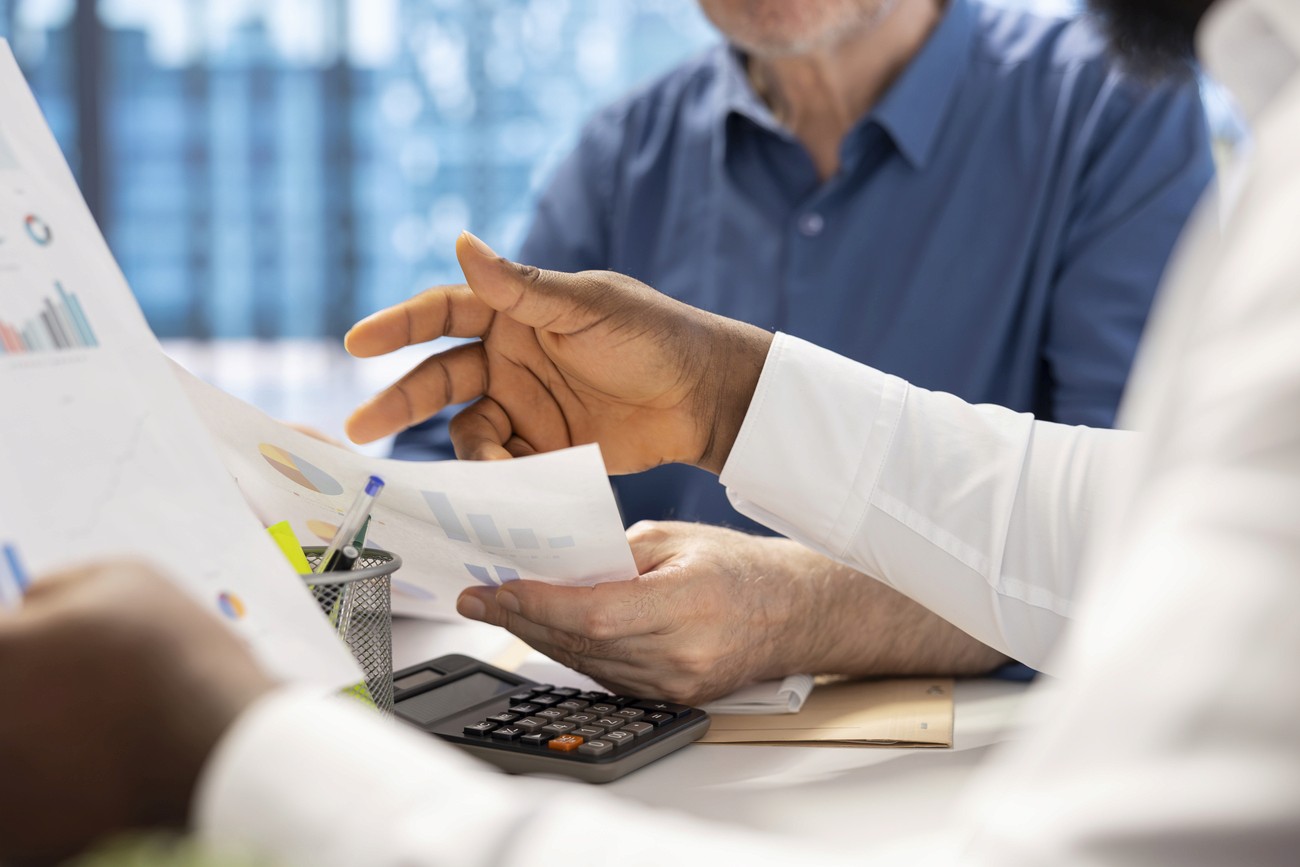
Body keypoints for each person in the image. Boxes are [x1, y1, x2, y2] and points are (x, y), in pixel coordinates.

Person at [4, 0, 1295, 854]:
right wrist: (723, 400)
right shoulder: (625, 148)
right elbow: (1136, 514)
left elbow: (1166, 568)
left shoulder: (1126, 107)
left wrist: (229, 744)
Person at [385, 0, 1215, 700]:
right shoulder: (622, 153)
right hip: (636, 763)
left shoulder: (1114, 100)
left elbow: (1144, 537)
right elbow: (448, 480)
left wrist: (801, 608)